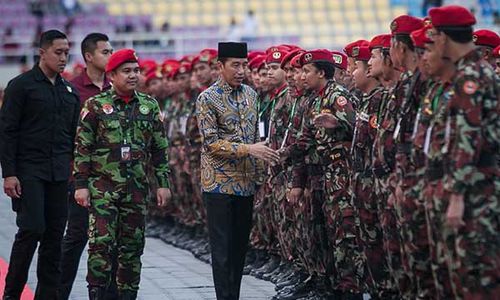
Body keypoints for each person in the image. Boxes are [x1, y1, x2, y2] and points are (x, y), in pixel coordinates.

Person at [73, 48, 172, 300]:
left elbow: (159, 149)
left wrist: (163, 183)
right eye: (126, 71)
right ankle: (97, 294)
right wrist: (81, 185)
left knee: (132, 248)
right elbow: (83, 148)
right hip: (103, 189)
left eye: (136, 71)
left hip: (136, 190)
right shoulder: (95, 106)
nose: (133, 76)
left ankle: (128, 295)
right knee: (101, 246)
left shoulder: (149, 106)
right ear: (112, 75)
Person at [196, 42, 279, 300]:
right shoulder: (207, 98)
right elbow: (211, 143)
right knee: (222, 248)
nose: (241, 70)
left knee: (240, 246)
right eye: (235, 65)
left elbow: (256, 137)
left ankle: (235, 294)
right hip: (219, 183)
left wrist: (258, 175)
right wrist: (249, 150)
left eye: (244, 65)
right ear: (220, 66)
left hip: (245, 182)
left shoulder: (251, 96)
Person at [0, 29, 80, 299]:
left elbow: (72, 135)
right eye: (58, 52)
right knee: (32, 229)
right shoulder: (21, 86)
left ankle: (47, 295)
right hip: (29, 171)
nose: (63, 58)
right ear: (42, 52)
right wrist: (9, 174)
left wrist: (75, 173)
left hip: (59, 174)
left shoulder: (69, 91)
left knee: (55, 237)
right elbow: (7, 132)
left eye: (67, 53)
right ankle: (12, 293)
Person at [429, 5, 499, 299]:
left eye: (434, 37)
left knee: (476, 272)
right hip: (476, 184)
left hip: (476, 190)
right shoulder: (474, 72)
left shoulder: (469, 78)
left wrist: (456, 194)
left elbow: (467, 139)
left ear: (444, 38)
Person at [58, 32, 115, 300]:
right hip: (81, 177)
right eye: (105, 52)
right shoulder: (71, 89)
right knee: (77, 237)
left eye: (111, 50)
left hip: (112, 178)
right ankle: (58, 292)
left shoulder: (114, 90)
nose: (110, 56)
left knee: (111, 241)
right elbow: (65, 135)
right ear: (89, 56)